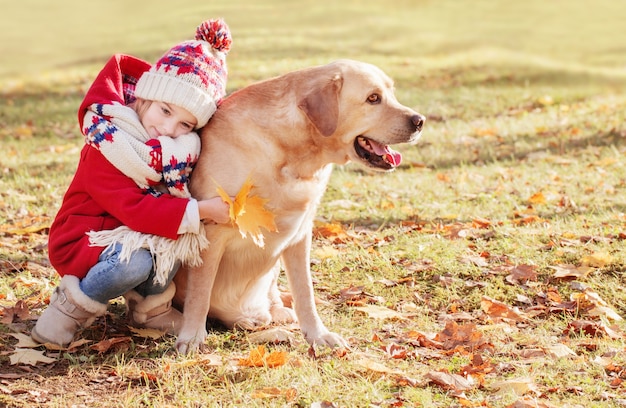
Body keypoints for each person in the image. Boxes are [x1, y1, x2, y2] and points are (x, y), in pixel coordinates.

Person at [31, 19, 233, 347]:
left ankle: (151, 310)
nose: (168, 128)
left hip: (136, 234)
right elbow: (134, 207)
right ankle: (68, 309)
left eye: (185, 123)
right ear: (145, 97)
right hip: (86, 236)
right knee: (135, 262)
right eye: (165, 110)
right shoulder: (109, 141)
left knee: (173, 245)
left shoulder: (177, 153)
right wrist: (199, 210)